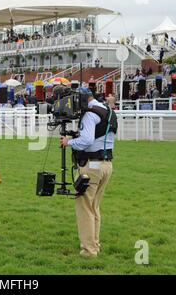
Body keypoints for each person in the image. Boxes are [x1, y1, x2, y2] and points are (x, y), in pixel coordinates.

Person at [60, 88, 117, 258]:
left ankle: (89, 251)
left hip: (92, 166)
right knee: (94, 207)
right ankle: (94, 244)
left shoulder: (89, 114)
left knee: (84, 207)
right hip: (106, 164)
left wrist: (68, 141)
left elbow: (86, 140)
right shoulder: (108, 110)